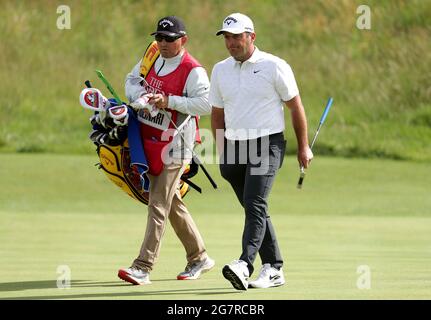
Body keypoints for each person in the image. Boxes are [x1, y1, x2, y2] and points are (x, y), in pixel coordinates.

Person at [209, 13, 313, 290]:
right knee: (255, 207)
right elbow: (217, 114)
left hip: (267, 144)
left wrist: (303, 146)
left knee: (254, 203)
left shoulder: (274, 66)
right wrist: (222, 151)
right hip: (234, 147)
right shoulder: (220, 70)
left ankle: (244, 263)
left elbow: (295, 107)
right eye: (227, 38)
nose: (231, 43)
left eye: (237, 37)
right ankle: (274, 268)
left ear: (251, 37)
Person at [117, 15, 215, 285]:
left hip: (176, 144)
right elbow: (131, 80)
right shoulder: (152, 55)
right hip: (148, 138)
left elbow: (206, 104)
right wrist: (141, 98)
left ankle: (143, 266)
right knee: (171, 204)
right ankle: (199, 257)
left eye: (169, 39)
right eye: (158, 37)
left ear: (183, 40)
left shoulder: (193, 70)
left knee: (158, 203)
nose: (162, 43)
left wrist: (168, 100)